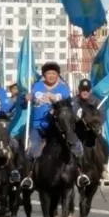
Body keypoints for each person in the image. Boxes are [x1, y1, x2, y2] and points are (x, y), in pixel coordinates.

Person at [18, 61, 76, 190]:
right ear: (44, 75)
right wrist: (25, 98)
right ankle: (28, 176)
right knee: (32, 151)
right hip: (38, 126)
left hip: (57, 128)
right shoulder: (36, 87)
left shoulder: (64, 89)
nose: (51, 76)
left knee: (74, 147)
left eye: (53, 73)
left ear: (57, 75)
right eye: (48, 73)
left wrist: (56, 103)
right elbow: (23, 105)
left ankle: (79, 174)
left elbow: (70, 108)